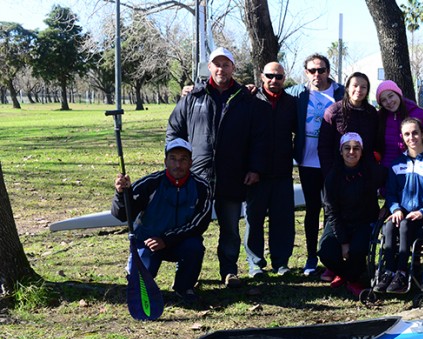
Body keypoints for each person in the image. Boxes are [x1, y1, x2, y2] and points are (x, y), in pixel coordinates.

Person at [166, 47, 268, 288]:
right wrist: (177, 162)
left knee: (230, 228)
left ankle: (229, 270)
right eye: (216, 64)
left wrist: (255, 168)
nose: (221, 69)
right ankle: (187, 274)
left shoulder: (245, 100)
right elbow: (174, 130)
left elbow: (259, 139)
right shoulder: (193, 97)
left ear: (233, 68)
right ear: (209, 68)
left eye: (226, 64)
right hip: (197, 176)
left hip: (233, 176)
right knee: (190, 227)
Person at [112, 138, 213, 303]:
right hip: (148, 241)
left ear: (191, 163)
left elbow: (199, 224)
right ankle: (136, 271)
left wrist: (166, 239)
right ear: (165, 161)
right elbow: (123, 215)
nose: (177, 165)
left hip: (180, 241)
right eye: (173, 159)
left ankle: (184, 287)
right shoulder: (150, 183)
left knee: (194, 247)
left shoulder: (202, 186)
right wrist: (121, 194)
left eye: (183, 160)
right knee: (138, 286)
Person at [285, 54, 345, 276]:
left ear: (329, 71)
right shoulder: (298, 93)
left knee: (333, 210)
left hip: (333, 162)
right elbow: (271, 93)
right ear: (306, 73)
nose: (316, 75)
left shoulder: (340, 93)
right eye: (312, 71)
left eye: (321, 70)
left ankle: (330, 256)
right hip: (307, 161)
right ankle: (311, 257)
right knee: (312, 210)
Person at [375, 118, 423, 294]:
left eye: (415, 133)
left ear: (422, 134)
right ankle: (388, 272)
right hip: (402, 215)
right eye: (407, 134)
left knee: (405, 226)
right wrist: (396, 209)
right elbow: (391, 193)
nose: (412, 137)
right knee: (388, 227)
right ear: (402, 137)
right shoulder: (396, 164)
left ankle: (402, 273)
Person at [243, 61, 298, 278]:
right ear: (261, 76)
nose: (274, 80)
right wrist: (250, 168)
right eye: (270, 76)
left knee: (282, 220)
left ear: (284, 79)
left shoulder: (292, 103)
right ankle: (255, 263)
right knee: (254, 219)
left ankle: (281, 262)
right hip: (256, 173)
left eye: (279, 77)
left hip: (283, 171)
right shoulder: (250, 100)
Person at [318, 133, 385, 297]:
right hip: (340, 222)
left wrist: (388, 206)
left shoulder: (373, 171)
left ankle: (351, 278)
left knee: (357, 251)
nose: (351, 152)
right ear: (341, 151)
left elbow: (393, 184)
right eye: (347, 148)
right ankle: (350, 277)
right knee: (325, 251)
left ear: (362, 151)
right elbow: (331, 211)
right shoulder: (332, 177)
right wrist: (343, 241)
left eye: (356, 148)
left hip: (364, 221)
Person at [318, 72, 378, 177]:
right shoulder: (333, 111)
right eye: (355, 86)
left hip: (365, 174)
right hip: (338, 173)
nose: (359, 90)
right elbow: (324, 146)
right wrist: (329, 174)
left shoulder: (372, 113)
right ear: (347, 88)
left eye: (363, 87)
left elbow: (376, 143)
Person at [375, 80, 423, 168]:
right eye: (384, 100)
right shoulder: (380, 117)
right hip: (387, 169)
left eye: (391, 96)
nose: (389, 102)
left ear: (398, 94)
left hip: (413, 168)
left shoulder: (418, 113)